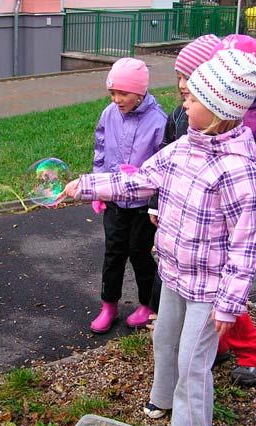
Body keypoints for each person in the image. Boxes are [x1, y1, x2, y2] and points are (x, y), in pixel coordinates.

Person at [62, 48, 256, 426]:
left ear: (217, 109)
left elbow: (247, 246)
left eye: (190, 98)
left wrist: (230, 304)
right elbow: (138, 179)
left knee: (194, 360)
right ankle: (163, 395)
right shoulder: (184, 148)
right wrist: (85, 185)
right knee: (164, 339)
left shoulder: (238, 169)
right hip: (173, 273)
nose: (182, 103)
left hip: (209, 289)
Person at [148, 34, 256, 387]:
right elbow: (167, 162)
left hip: (232, 218)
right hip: (196, 217)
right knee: (205, 302)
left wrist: (235, 184)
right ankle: (215, 348)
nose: (184, 92)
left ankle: (255, 354)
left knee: (227, 296)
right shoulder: (197, 113)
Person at [88, 57, 167, 334]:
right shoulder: (109, 114)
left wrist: (154, 198)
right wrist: (99, 186)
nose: (117, 99)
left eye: (123, 93)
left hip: (143, 205)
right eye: (112, 93)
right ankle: (109, 305)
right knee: (113, 252)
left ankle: (148, 303)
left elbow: (164, 164)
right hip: (114, 200)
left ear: (140, 92)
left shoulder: (158, 121)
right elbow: (100, 149)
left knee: (140, 253)